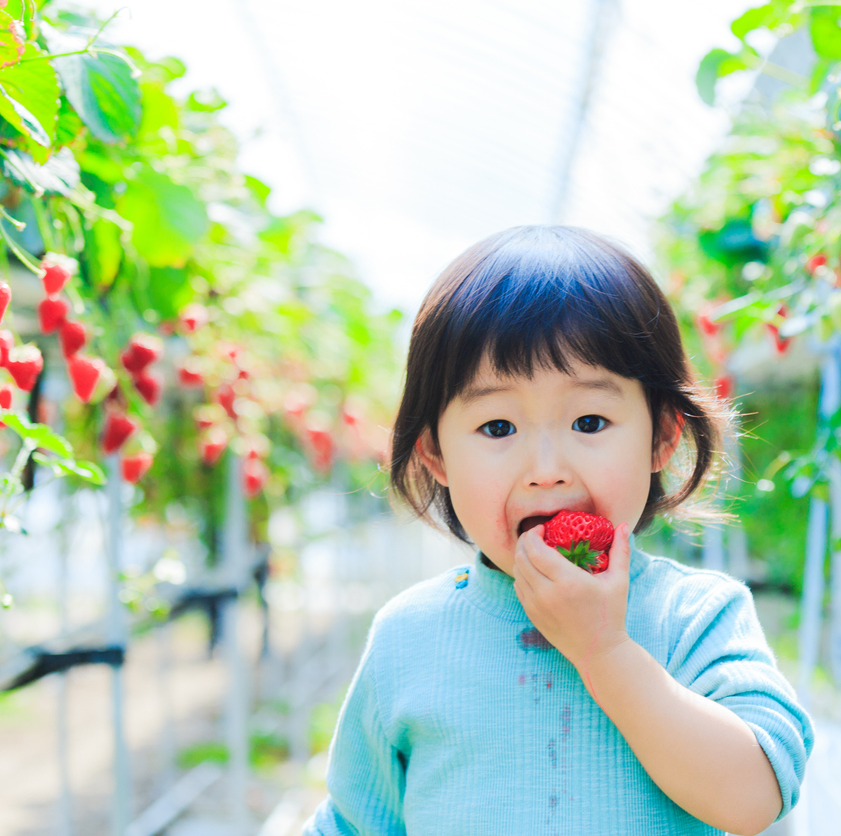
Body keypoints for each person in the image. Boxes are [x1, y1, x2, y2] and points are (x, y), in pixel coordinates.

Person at [303, 225, 814, 835]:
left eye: (590, 420)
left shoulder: (694, 617)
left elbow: (755, 796)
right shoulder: (409, 638)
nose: (546, 471)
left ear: (661, 438)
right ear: (436, 456)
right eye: (498, 428)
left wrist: (606, 651)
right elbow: (353, 823)